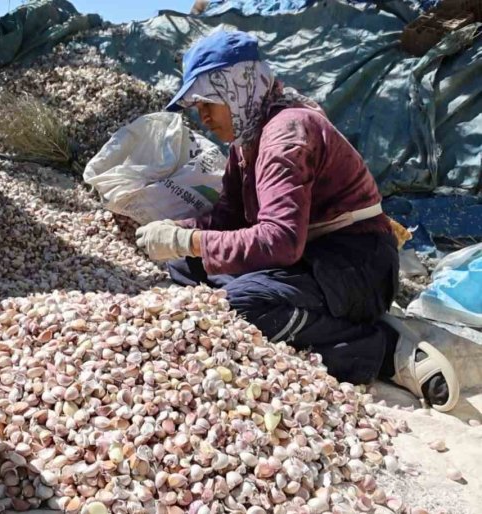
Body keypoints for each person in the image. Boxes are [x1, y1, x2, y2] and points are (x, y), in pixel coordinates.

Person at [135, 30, 459, 411]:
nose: (203, 116)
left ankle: (382, 348)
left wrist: (188, 241)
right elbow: (227, 222)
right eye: (197, 106)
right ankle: (311, 318)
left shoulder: (286, 134)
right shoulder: (246, 145)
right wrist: (176, 235)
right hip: (309, 260)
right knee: (186, 266)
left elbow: (279, 242)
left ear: (238, 88)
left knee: (240, 307)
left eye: (208, 102)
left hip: (356, 265)